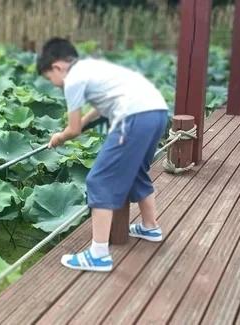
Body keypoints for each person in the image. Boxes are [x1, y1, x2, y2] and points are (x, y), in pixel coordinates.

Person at [36, 37, 168, 272]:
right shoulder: (92, 66)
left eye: (49, 78)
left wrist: (60, 137)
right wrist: (86, 122)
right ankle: (150, 226)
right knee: (137, 170)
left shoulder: (73, 79)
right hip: (156, 112)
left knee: (100, 180)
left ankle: (98, 254)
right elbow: (102, 105)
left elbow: (73, 129)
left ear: (57, 66)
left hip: (133, 118)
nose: (53, 83)